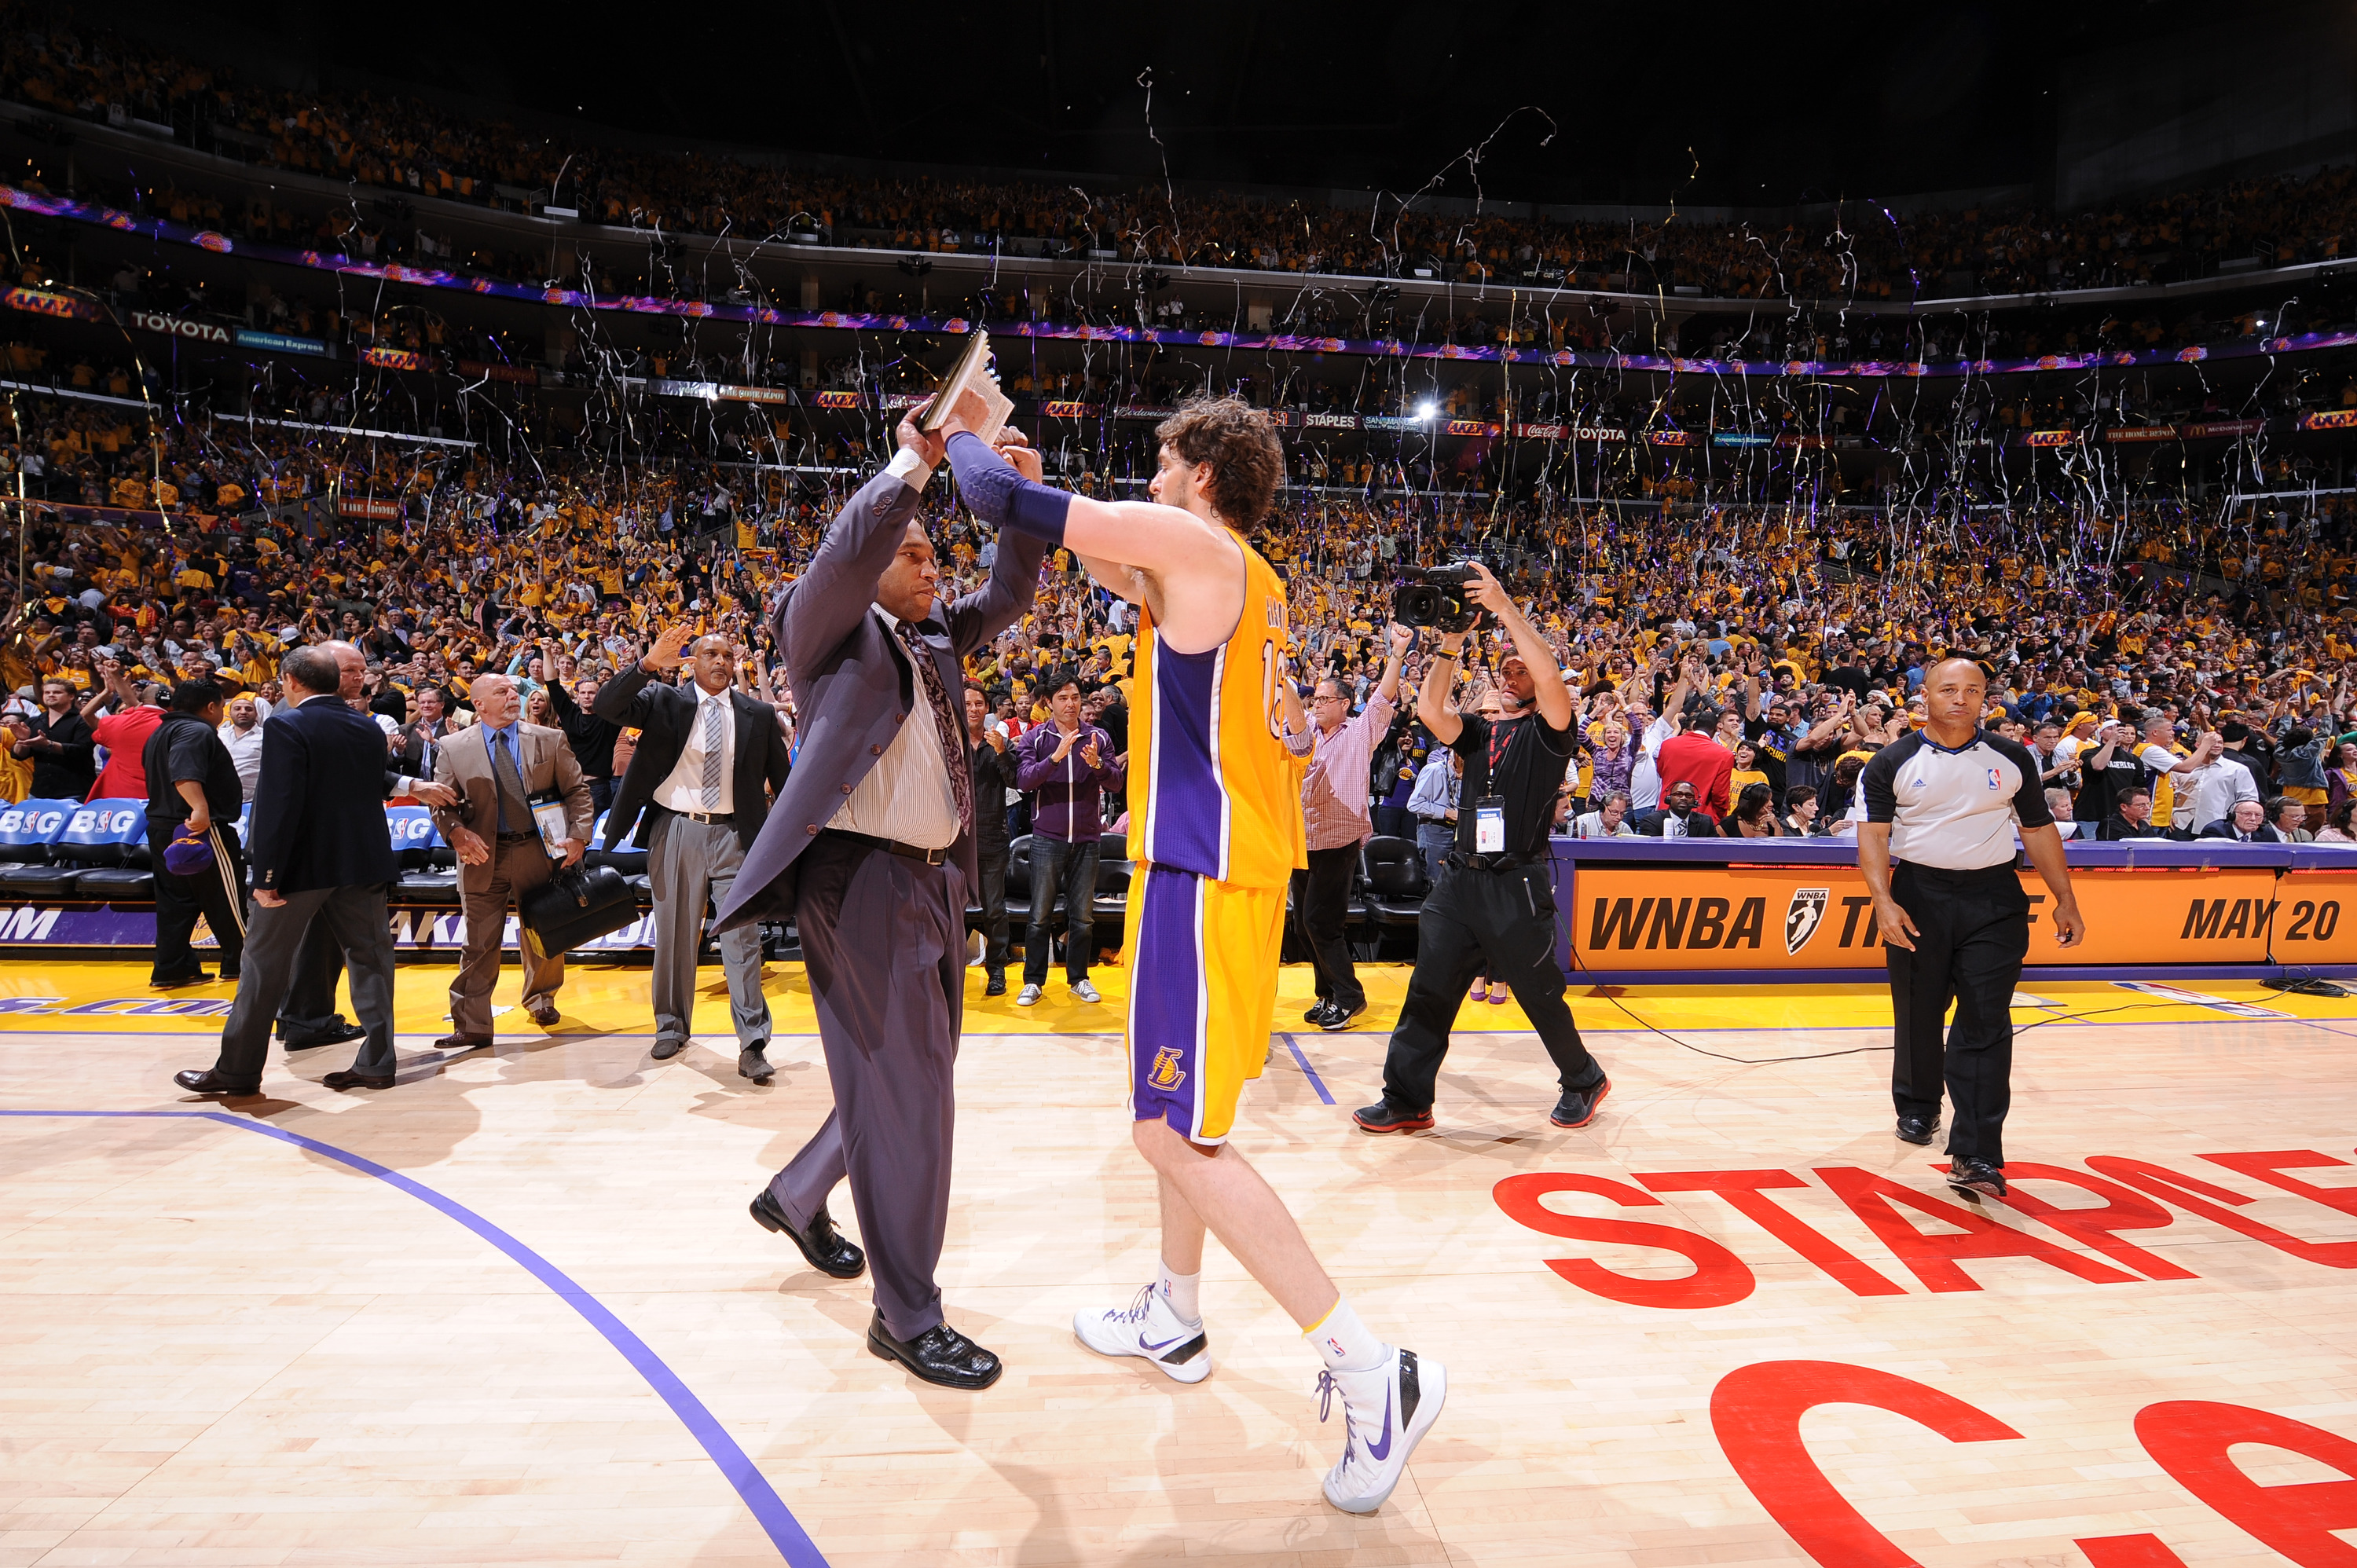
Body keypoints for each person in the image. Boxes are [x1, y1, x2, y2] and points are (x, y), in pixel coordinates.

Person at [942, 392, 1443, 1515]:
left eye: (1162, 462)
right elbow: (1077, 545)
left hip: (1207, 881)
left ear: (1202, 474)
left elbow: (996, 499)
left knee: (1171, 1135)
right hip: (1221, 880)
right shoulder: (1234, 574)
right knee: (1183, 1129)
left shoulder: (1190, 541)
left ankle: (1373, 1367)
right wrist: (1032, 479)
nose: (1151, 479)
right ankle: (1174, 1309)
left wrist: (966, 423)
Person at [710, 406, 1045, 1392]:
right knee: (911, 1099)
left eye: (935, 546)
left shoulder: (938, 631)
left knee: (910, 1080)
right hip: (860, 880)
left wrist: (1018, 499)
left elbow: (1013, 588)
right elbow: (852, 548)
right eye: (911, 549)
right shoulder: (819, 626)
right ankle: (907, 1314)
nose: (930, 559)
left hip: (935, 880)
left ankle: (801, 1190)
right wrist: (916, 462)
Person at [1358, 559, 1611, 1143]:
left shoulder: (1551, 731)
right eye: (1505, 668)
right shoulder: (1480, 731)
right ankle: (1406, 1100)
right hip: (1458, 883)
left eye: (1520, 670)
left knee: (1539, 994)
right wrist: (1450, 644)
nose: (1511, 674)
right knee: (1428, 990)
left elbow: (1550, 679)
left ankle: (1583, 1077)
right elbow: (1430, 712)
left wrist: (1503, 608)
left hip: (1514, 884)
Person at [1858, 657, 2084, 1203]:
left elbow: (2036, 828)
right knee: (1919, 1008)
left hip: (1994, 898)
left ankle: (1977, 1150)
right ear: (1926, 697)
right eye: (1948, 689)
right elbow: (1873, 836)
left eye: (1972, 690)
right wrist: (1884, 901)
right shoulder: (1891, 761)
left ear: (1987, 698)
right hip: (1919, 894)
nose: (1960, 699)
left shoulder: (2010, 758)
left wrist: (2065, 897)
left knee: (1986, 1020)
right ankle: (1917, 1106)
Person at [171, 646, 403, 1096]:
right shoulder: (369, 727)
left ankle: (237, 1071)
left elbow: (279, 804)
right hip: (363, 863)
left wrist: (267, 876)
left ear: (291, 682)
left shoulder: (286, 723)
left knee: (263, 967)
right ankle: (377, 1063)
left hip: (301, 869)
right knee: (371, 964)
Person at [593, 627, 792, 1082]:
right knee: (676, 935)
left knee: (742, 939)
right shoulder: (664, 700)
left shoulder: (758, 714)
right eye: (710, 654)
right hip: (677, 828)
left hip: (737, 836)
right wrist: (645, 665)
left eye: (727, 654)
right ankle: (671, 1026)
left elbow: (785, 783)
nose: (720, 662)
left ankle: (753, 1042)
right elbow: (606, 707)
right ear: (692, 662)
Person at [427, 672, 595, 1047]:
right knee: (478, 942)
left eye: (514, 690)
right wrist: (455, 833)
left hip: (538, 850)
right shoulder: (453, 746)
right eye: (501, 691)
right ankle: (471, 1024)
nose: (513, 696)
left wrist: (579, 834)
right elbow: (442, 806)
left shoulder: (550, 739)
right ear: (479, 703)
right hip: (481, 854)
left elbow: (577, 791)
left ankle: (542, 999)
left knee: (545, 933)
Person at [1294, 623, 1411, 1031]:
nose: (1317, 706)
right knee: (1303, 923)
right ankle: (1327, 994)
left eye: (1325, 700)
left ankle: (1349, 996)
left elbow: (1383, 698)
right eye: (1315, 699)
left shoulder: (1360, 732)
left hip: (1338, 839)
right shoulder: (1306, 732)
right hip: (1302, 837)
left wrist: (1396, 653)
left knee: (1320, 922)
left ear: (1345, 704)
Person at [1011, 667, 1125, 1006]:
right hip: (1047, 838)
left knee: (1083, 915)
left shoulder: (1098, 737)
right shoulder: (1036, 738)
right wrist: (1055, 758)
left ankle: (1079, 978)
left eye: (1075, 697)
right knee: (1040, 914)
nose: (1071, 704)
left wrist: (1098, 767)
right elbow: (1024, 781)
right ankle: (1033, 980)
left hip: (1089, 840)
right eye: (1063, 698)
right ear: (1049, 703)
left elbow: (1116, 783)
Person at [142, 680, 246, 990]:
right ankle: (241, 963)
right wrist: (200, 809)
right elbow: (184, 771)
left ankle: (172, 968)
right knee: (226, 897)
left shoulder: (160, 732)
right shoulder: (196, 731)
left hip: (163, 827)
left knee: (175, 901)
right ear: (211, 707)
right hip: (198, 828)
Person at [965, 681, 1015, 995]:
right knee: (950, 912)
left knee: (994, 910)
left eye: (979, 704)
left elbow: (1016, 780)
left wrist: (1001, 751)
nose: (973, 709)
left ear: (988, 709)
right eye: (968, 704)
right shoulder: (950, 743)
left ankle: (997, 970)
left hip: (993, 839)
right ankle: (949, 972)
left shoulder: (997, 743)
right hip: (956, 843)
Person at [12, 676, 95, 800]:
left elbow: (81, 750)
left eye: (57, 692)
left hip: (75, 791)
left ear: (71, 696)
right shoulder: (33, 721)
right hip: (39, 792)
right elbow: (18, 755)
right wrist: (23, 741)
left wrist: (48, 744)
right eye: (47, 692)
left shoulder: (83, 721)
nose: (51, 695)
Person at [1655, 700, 1734, 822]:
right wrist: (1720, 817)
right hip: (1700, 816)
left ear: (1694, 726)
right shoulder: (1724, 754)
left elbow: (1661, 772)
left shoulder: (1667, 744)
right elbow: (1720, 795)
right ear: (1716, 730)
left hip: (1666, 812)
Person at [1406, 748, 1461, 879]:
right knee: (1437, 880)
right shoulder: (1434, 770)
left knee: (1452, 879)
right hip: (1434, 830)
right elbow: (1414, 804)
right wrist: (1447, 813)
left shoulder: (1459, 776)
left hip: (1454, 830)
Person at [1629, 779, 1722, 837]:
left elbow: (1716, 848)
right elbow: (1649, 850)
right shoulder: (1652, 821)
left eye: (1688, 795)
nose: (1683, 798)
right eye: (1678, 794)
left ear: (1695, 801)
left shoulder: (1705, 822)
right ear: (1669, 798)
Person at [217, 693, 265, 802]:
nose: (243, 712)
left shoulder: (266, 736)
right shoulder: (218, 734)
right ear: (229, 713)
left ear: (256, 714)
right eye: (237, 709)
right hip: (220, 799)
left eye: (248, 709)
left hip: (252, 800)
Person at [2099, 786, 2172, 841]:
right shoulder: (2111, 825)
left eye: (2148, 804)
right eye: (2141, 805)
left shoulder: (2144, 825)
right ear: (2124, 807)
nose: (2147, 808)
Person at [2199, 797, 2282, 842]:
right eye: (2247, 814)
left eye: (2258, 815)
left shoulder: (2267, 832)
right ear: (2233, 816)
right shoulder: (2215, 830)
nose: (2253, 819)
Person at [1571, 790, 1636, 837]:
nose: (1619, 817)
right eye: (1614, 812)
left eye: (1622, 813)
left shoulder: (1625, 829)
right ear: (1602, 808)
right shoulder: (1582, 822)